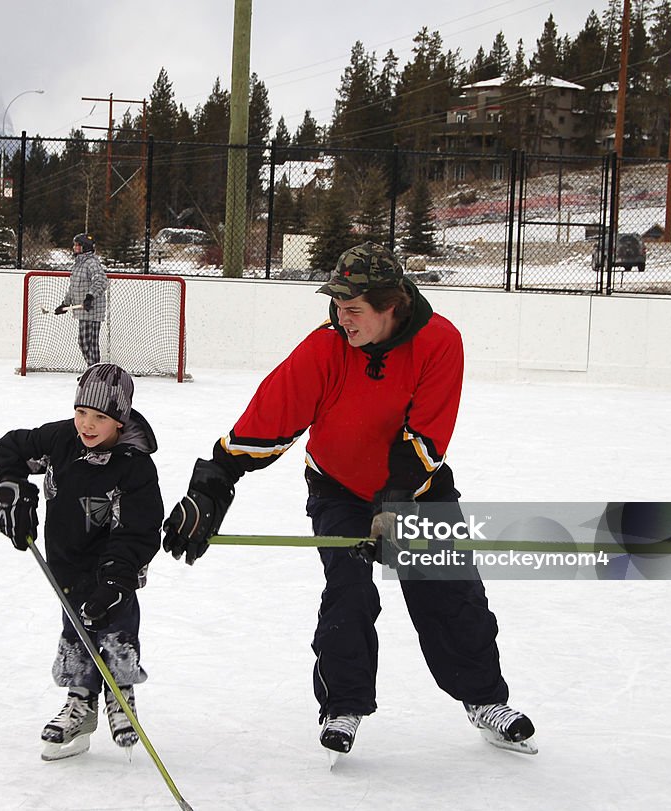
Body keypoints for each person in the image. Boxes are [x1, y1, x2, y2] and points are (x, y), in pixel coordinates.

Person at [161, 242, 536, 757]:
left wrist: (393, 507)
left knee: (450, 591)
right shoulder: (324, 348)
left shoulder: (439, 341)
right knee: (350, 590)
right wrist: (211, 486)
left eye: (354, 309)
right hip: (337, 486)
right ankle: (344, 705)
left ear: (392, 306)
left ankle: (485, 700)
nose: (343, 318)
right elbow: (268, 421)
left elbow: (425, 435)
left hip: (417, 488)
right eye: (338, 306)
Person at [0, 363, 164, 761]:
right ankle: (81, 703)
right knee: (76, 634)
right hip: (66, 564)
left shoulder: (134, 465)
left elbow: (137, 530)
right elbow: (11, 449)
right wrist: (13, 487)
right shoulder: (61, 440)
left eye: (100, 417)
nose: (86, 424)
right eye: (81, 412)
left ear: (119, 420)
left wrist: (115, 581)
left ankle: (120, 693)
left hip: (113, 570)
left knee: (114, 628)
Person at [55, 233, 107, 367]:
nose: (74, 247)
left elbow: (101, 280)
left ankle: (94, 371)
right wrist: (65, 304)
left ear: (85, 247)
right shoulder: (78, 264)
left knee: (89, 342)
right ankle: (93, 370)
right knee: (85, 342)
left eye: (77, 245)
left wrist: (90, 297)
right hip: (82, 309)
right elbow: (73, 287)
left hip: (92, 309)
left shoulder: (92, 263)